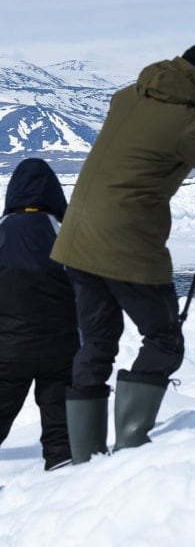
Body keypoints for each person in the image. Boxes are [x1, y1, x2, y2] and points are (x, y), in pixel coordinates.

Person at [51, 43, 195, 463]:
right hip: (127, 243)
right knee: (164, 340)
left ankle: (84, 459)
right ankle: (130, 448)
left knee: (97, 343)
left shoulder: (128, 95)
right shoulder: (189, 125)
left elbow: (160, 127)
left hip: (78, 236)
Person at [0, 158, 79, 471]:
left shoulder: (3, 232)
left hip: (8, 351)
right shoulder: (66, 233)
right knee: (60, 432)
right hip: (61, 349)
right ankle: (60, 486)